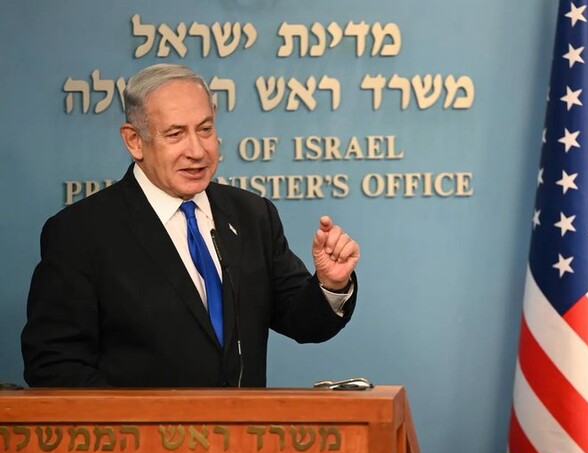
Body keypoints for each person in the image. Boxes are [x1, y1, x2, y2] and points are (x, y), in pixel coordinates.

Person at [21, 63, 359, 387]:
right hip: (139, 444)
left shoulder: (252, 215)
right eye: (175, 134)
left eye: (205, 129)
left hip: (243, 440)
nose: (197, 150)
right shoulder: (81, 232)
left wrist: (330, 284)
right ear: (134, 141)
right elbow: (55, 364)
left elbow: (302, 321)